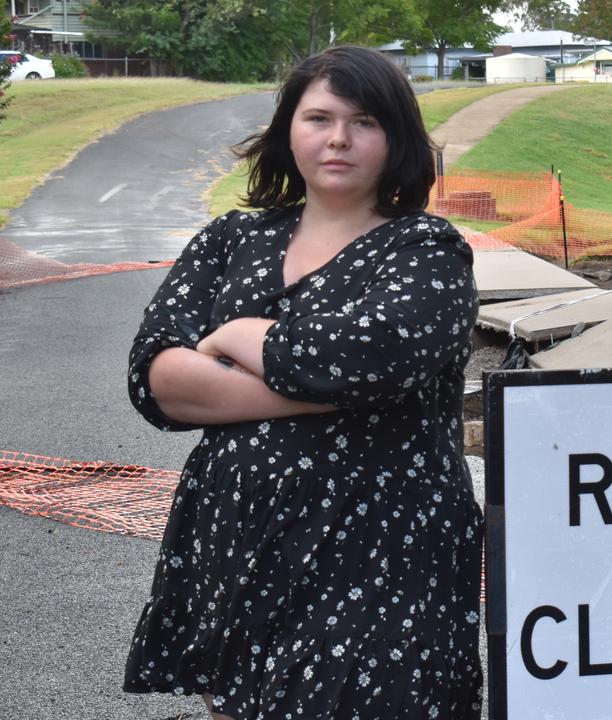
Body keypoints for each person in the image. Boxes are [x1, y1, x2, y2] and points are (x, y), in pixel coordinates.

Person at [122, 46, 482, 720]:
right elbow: (158, 378)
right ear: (289, 130)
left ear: (395, 137)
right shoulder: (231, 240)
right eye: (319, 117)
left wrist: (231, 339)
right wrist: (333, 386)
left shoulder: (426, 251)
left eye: (365, 120)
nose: (339, 138)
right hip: (240, 543)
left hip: (381, 549)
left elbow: (369, 357)